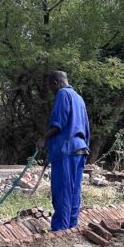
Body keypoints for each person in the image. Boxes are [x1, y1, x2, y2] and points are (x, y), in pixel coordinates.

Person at [36, 70, 90, 231]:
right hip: (80, 150)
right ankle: (72, 226)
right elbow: (86, 128)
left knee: (62, 191)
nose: (51, 91)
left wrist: (43, 139)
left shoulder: (62, 95)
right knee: (74, 191)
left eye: (50, 87)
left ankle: (60, 229)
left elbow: (58, 123)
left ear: (56, 83)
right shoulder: (79, 99)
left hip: (66, 150)